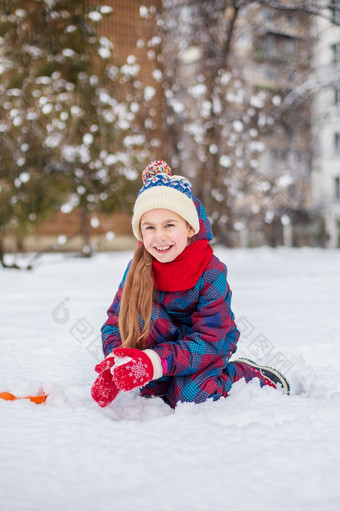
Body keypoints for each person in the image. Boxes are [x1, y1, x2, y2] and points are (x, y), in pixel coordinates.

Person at [91, 160, 289, 409]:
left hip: (204, 347)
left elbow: (209, 339)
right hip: (162, 347)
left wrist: (154, 362)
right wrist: (117, 359)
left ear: (189, 227)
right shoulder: (137, 269)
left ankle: (243, 375)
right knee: (153, 388)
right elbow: (115, 322)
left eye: (169, 225)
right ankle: (162, 379)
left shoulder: (210, 272)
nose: (159, 236)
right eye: (149, 227)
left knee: (191, 396)